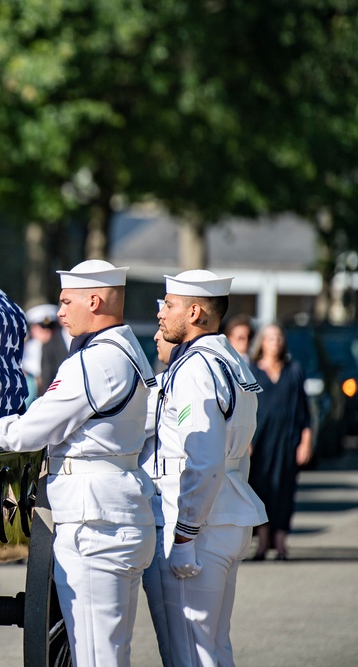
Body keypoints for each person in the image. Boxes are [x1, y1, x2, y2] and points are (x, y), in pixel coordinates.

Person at [0, 259, 157, 667]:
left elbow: (29, 432)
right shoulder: (128, 350)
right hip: (116, 508)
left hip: (95, 521)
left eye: (65, 301)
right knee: (110, 651)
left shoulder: (95, 360)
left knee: (96, 656)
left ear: (94, 301)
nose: (59, 312)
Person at [153, 270, 267, 667]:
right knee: (214, 647)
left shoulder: (196, 367)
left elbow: (203, 459)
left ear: (195, 311)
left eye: (169, 305)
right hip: (226, 514)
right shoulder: (229, 358)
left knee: (193, 653)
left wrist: (184, 535)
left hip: (200, 525)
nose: (161, 315)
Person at [247, 323, 312, 561]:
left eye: (278, 337)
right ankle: (263, 543)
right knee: (260, 491)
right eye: (270, 338)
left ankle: (281, 544)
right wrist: (245, 441)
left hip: (286, 442)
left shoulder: (294, 370)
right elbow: (244, 410)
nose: (274, 342)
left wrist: (305, 442)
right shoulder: (252, 371)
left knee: (285, 491)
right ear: (261, 342)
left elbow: (305, 413)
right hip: (260, 444)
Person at [139, 322, 177, 667]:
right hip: (172, 514)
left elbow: (135, 425)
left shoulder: (170, 383)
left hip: (167, 516)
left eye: (163, 332)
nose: (155, 338)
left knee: (177, 643)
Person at [22, 303, 58, 402]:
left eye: (51, 326)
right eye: (43, 326)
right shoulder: (26, 348)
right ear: (33, 328)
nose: (48, 331)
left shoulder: (60, 348)